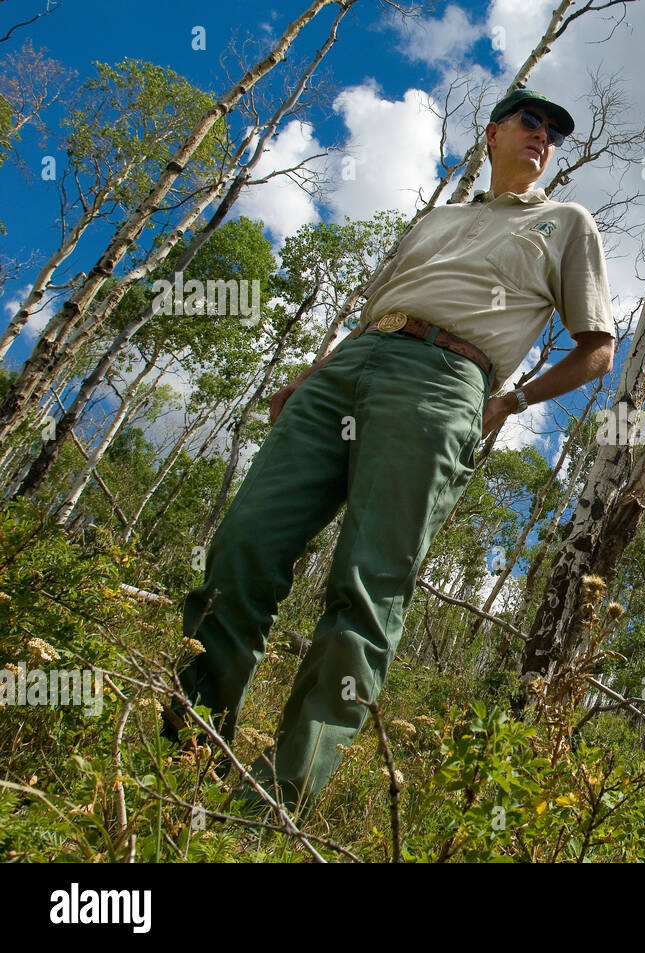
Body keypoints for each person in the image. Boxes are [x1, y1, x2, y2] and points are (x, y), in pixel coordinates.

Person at [164, 88, 617, 815]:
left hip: (445, 380)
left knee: (368, 583)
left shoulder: (566, 223)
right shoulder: (438, 217)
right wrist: (311, 375)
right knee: (245, 543)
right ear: (493, 132)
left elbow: (598, 350)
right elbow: (375, 309)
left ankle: (275, 805)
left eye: (555, 133)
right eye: (530, 122)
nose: (543, 137)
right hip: (350, 368)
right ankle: (185, 755)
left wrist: (510, 401)